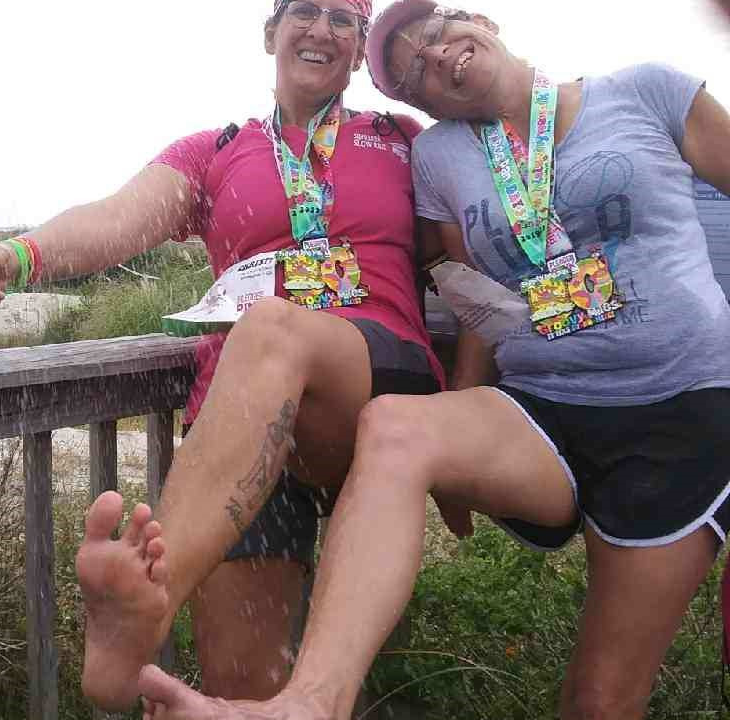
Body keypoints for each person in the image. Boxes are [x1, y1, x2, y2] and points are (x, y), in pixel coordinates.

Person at [125, 1, 730, 719]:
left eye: (438, 34)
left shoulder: (646, 90)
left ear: (482, 21)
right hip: (544, 410)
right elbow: (473, 296)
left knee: (599, 701)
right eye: (415, 73)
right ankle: (312, 703)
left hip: (680, 408)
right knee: (397, 426)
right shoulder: (441, 156)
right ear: (424, 106)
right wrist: (458, 413)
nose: (436, 57)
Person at [0, 0, 450, 710]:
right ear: (271, 34)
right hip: (249, 421)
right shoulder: (216, 150)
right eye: (304, 10)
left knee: (273, 329)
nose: (322, 29)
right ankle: (157, 622)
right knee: (243, 689)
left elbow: (480, 246)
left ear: (359, 51)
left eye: (344, 19)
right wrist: (13, 257)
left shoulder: (402, 140)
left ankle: (150, 610)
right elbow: (117, 219)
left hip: (375, 382)